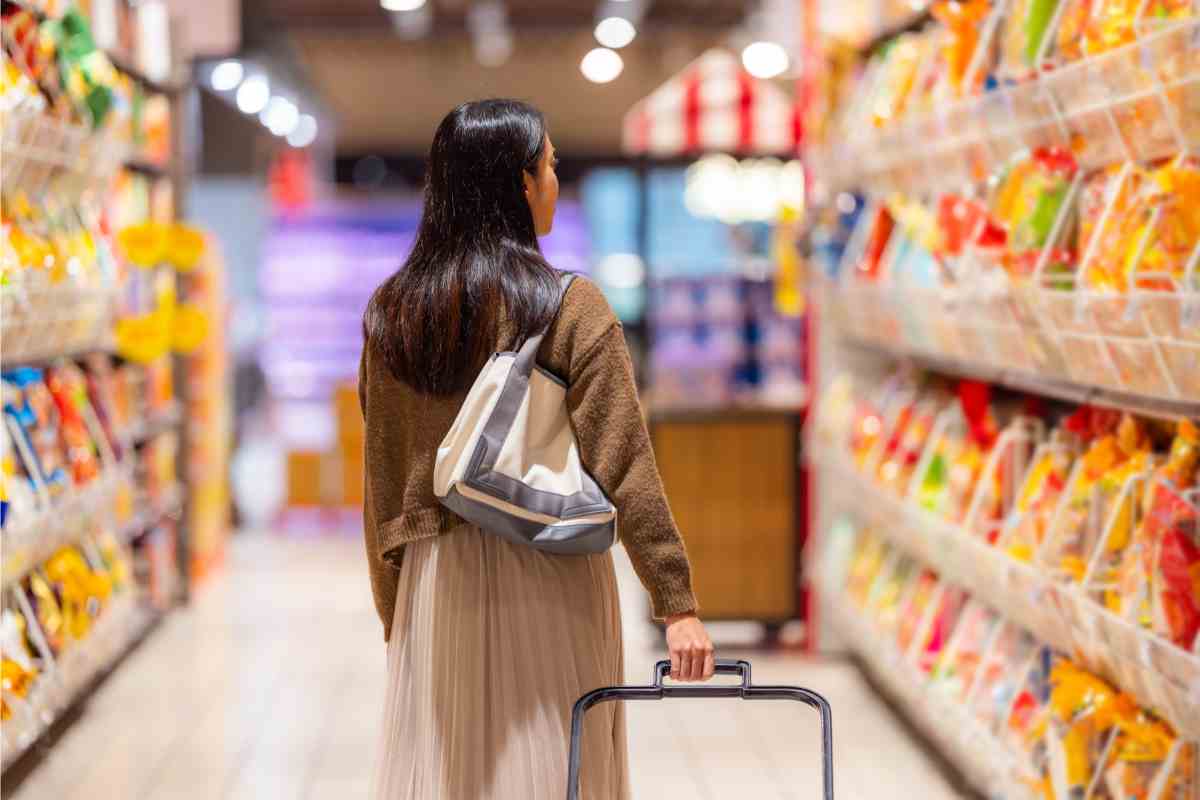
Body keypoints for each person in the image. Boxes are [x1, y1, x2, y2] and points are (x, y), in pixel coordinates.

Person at [359, 98, 713, 799]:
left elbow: (383, 480)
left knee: (451, 771)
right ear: (521, 184)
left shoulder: (393, 314)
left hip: (439, 581)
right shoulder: (570, 307)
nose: (555, 181)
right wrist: (677, 601)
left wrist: (394, 606)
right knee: (557, 764)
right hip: (550, 564)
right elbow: (625, 463)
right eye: (549, 166)